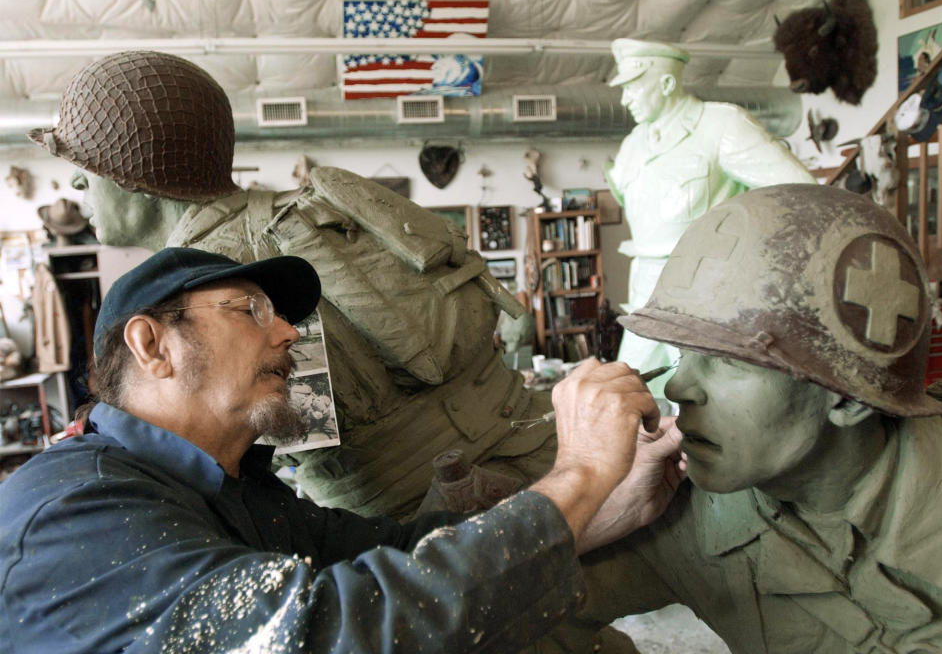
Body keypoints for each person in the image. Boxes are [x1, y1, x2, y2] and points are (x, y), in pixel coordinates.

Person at [0, 247, 685, 653]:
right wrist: (580, 472)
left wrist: (612, 504)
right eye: (249, 311)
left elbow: (411, 549)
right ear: (152, 346)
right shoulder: (74, 509)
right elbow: (320, 630)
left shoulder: (240, 492)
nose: (289, 336)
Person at [29, 49, 560, 522]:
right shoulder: (304, 214)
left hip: (415, 525)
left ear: (133, 175)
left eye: (87, 165)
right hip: (526, 442)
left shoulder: (197, 294)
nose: (77, 183)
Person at [548, 184, 942, 653]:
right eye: (683, 352)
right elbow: (512, 622)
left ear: (847, 399)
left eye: (729, 360)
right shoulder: (675, 510)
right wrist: (590, 512)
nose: (678, 388)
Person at [604, 39, 815, 398]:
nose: (625, 99)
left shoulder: (720, 125)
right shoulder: (634, 144)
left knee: (709, 397)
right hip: (645, 287)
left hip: (706, 289)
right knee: (634, 391)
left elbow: (801, 191)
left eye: (633, 87)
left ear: (667, 84)